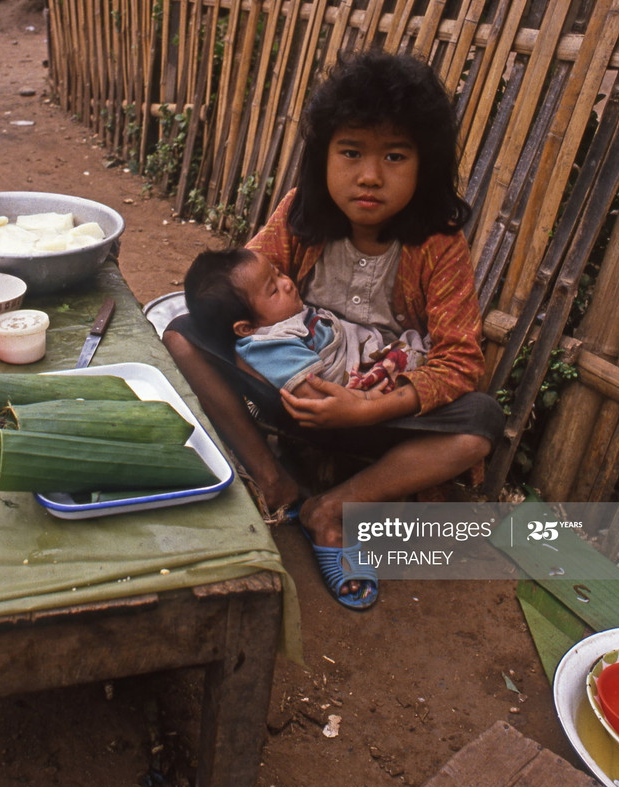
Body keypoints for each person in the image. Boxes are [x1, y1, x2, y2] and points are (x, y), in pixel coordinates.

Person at [162, 49, 504, 610]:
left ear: (427, 164)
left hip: (380, 416)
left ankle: (332, 510)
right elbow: (240, 287)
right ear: (323, 157)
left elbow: (460, 361)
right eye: (351, 153)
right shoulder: (301, 215)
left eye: (395, 156)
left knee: (479, 422)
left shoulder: (438, 245)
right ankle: (275, 480)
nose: (369, 176)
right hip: (295, 402)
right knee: (182, 332)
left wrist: (366, 408)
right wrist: (272, 371)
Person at [182, 246, 429, 397]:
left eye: (277, 273)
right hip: (353, 382)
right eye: (273, 290)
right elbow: (313, 393)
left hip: (364, 348)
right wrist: (362, 404)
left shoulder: (281, 315)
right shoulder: (270, 345)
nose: (287, 283)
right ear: (247, 328)